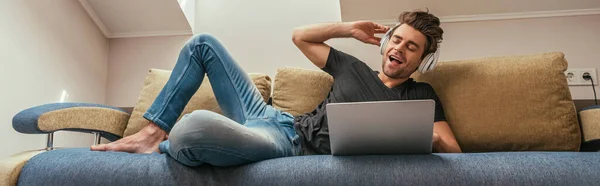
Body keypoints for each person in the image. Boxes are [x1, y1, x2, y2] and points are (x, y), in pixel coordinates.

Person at [91, 10, 462, 167]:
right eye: (396, 40)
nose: (398, 48)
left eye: (411, 47)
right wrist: (347, 29)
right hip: (273, 118)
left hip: (288, 146)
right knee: (202, 43)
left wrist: (423, 138)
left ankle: (178, 142)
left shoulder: (421, 96)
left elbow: (454, 151)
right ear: (385, 44)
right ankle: (152, 133)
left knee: (193, 127)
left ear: (422, 60)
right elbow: (300, 37)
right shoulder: (352, 66)